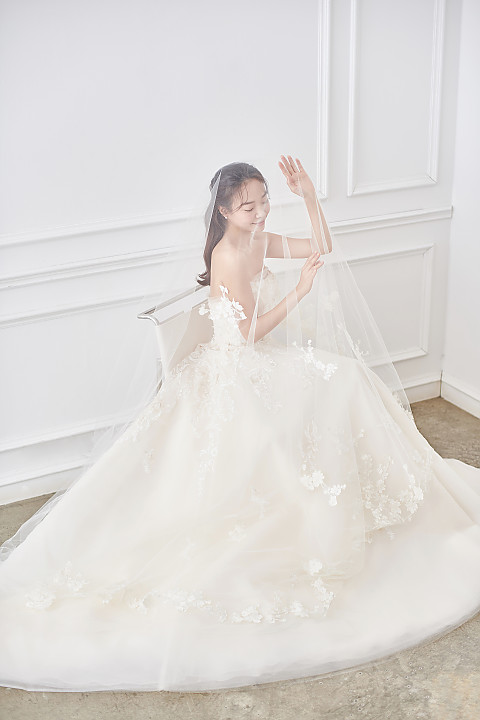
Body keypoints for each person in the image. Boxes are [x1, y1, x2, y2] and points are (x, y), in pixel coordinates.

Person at [0, 156, 479, 693]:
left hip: (257, 358)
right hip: (237, 368)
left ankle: (380, 499)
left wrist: (310, 195)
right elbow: (248, 334)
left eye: (264, 201)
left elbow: (321, 245)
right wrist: (299, 292)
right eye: (248, 206)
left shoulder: (258, 238)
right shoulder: (227, 254)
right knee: (332, 387)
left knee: (347, 379)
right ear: (225, 211)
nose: (260, 212)